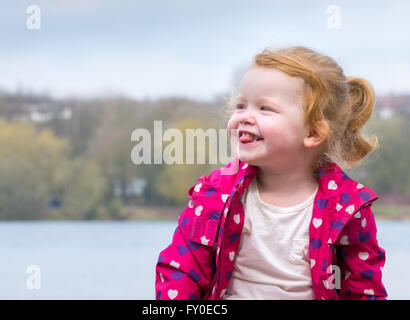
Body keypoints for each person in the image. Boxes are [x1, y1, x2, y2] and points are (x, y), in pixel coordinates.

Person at [155, 46, 387, 300]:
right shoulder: (215, 194)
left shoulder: (347, 208)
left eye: (265, 108)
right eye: (241, 106)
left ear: (312, 133)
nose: (245, 117)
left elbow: (363, 290)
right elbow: (182, 270)